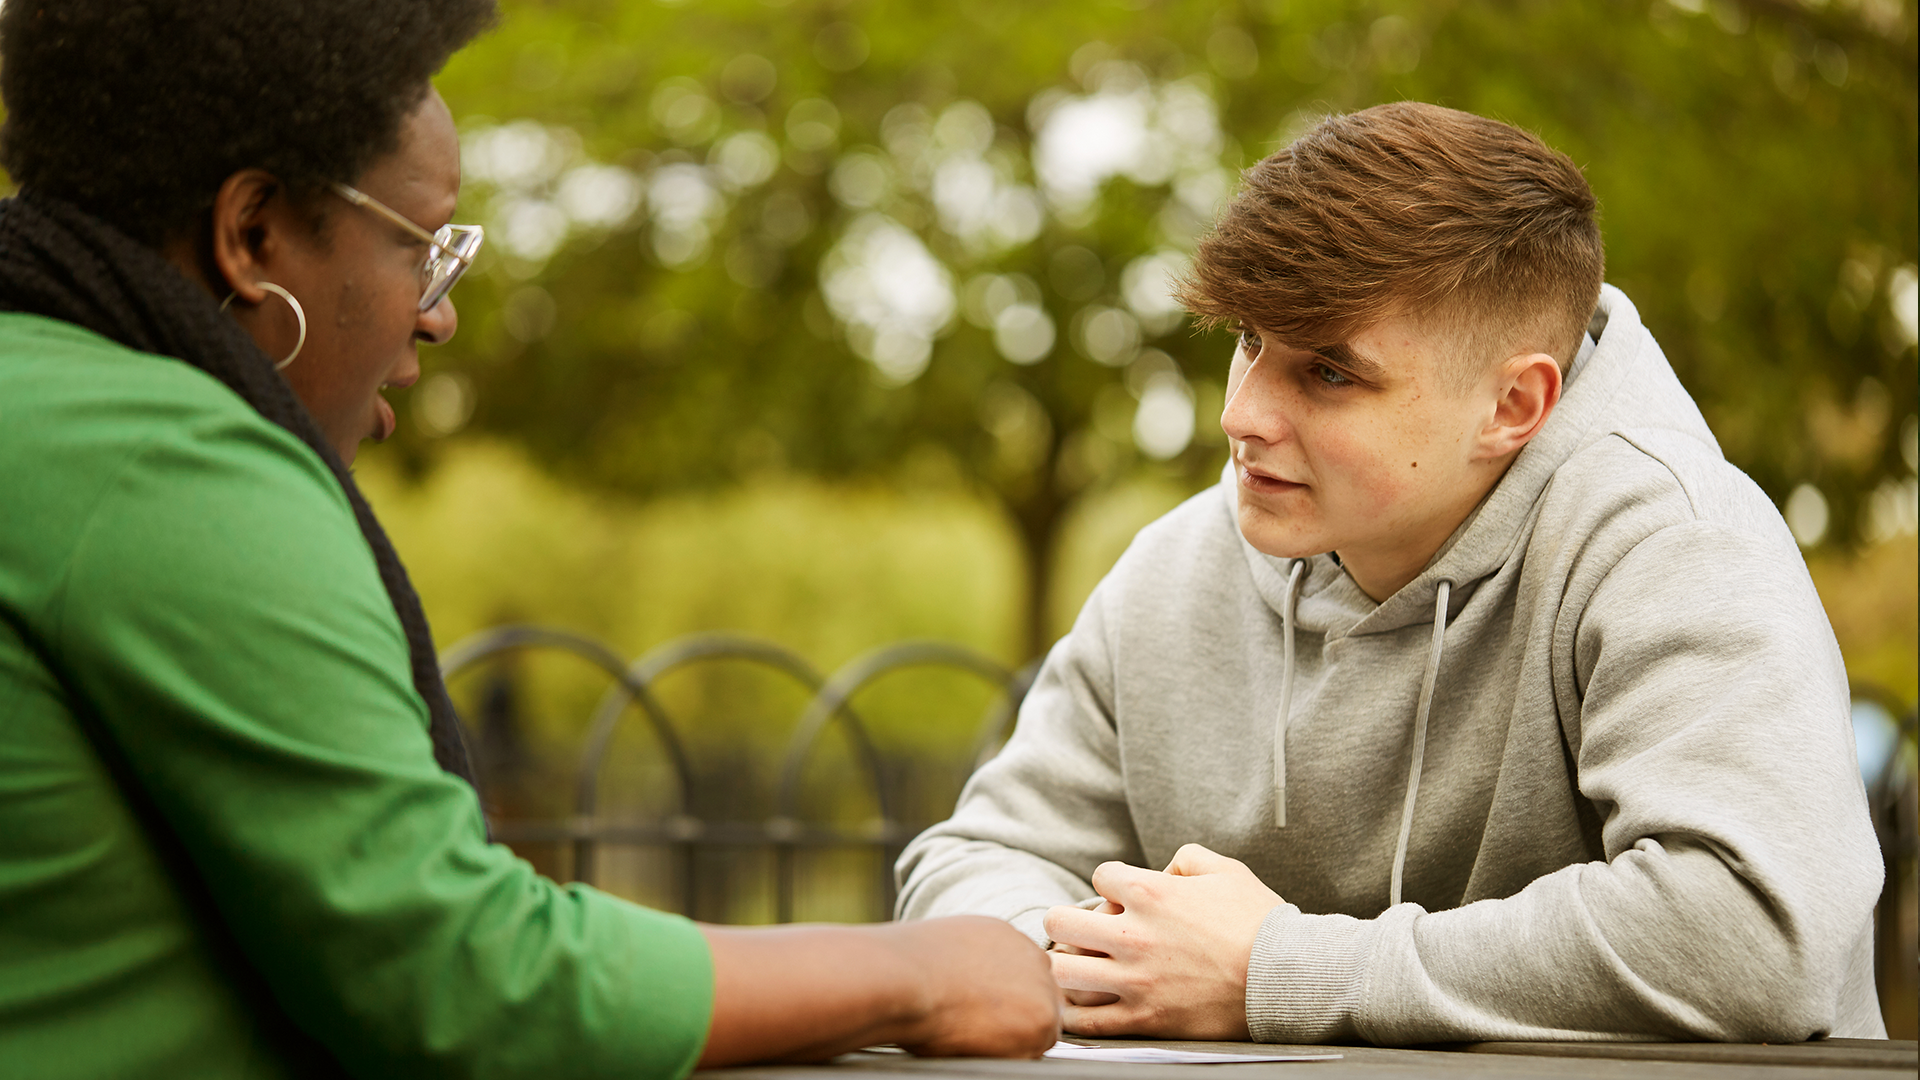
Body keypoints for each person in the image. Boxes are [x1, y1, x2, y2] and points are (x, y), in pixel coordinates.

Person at [0, 3, 1056, 1077]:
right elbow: (459, 973)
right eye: (420, 246)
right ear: (253, 235)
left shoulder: (42, 398)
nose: (436, 314)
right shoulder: (168, 464)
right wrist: (922, 972)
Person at [896, 102, 1887, 1045]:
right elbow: (971, 865)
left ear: (1512, 404)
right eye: (1247, 342)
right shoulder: (1179, 568)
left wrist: (1276, 971)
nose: (1243, 414)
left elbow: (1753, 936)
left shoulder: (1676, 542)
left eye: (1329, 371)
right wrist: (1110, 962)